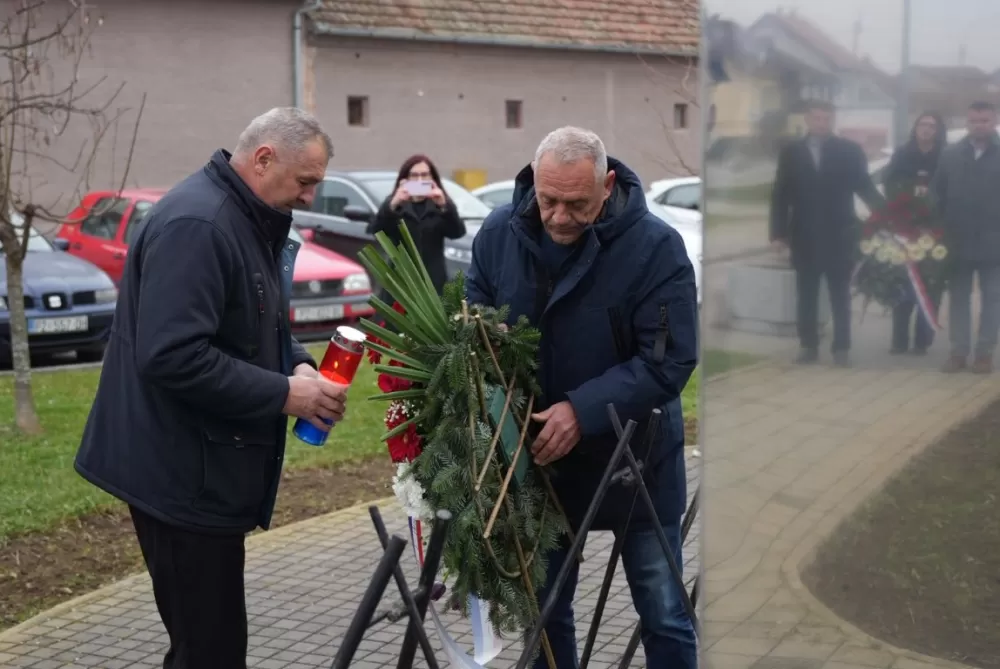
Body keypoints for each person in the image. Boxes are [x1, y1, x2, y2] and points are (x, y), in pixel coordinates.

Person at [74, 108, 347, 669]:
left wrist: (296, 365)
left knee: (210, 646)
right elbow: (172, 355)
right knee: (209, 652)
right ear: (264, 158)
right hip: (178, 481)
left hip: (201, 474)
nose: (311, 198)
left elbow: (256, 323)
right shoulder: (200, 225)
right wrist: (284, 396)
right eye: (306, 182)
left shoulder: (247, 217)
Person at [466, 126, 699, 669]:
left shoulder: (656, 248)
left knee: (663, 613)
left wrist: (582, 409)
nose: (559, 217)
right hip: (541, 463)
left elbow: (669, 361)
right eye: (549, 200)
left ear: (607, 184)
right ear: (533, 181)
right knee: (546, 615)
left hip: (637, 458)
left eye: (577, 204)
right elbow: (473, 321)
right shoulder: (500, 233)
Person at [770, 100, 884, 367]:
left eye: (826, 119)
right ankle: (808, 345)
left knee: (840, 294)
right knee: (807, 294)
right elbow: (780, 193)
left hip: (840, 235)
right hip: (804, 236)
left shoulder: (849, 151)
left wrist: (888, 216)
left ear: (832, 120)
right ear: (808, 120)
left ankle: (841, 348)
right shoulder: (791, 152)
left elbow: (864, 186)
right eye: (816, 118)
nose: (821, 123)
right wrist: (777, 232)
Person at [932, 101, 1000, 375]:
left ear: (994, 120)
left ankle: (984, 353)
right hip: (956, 240)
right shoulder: (950, 154)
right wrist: (934, 229)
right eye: (973, 120)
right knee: (958, 298)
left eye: (984, 120)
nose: (978, 126)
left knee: (993, 299)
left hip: (994, 242)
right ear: (967, 121)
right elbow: (937, 193)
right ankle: (958, 352)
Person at [884, 112, 947, 355]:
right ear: (915, 128)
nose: (927, 129)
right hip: (904, 228)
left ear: (938, 130)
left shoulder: (945, 156)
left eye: (932, 126)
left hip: (935, 229)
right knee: (903, 285)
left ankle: (922, 341)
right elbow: (889, 184)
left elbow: (949, 189)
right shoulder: (902, 154)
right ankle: (899, 340)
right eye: (923, 124)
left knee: (929, 286)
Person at [368, 153, 466, 295]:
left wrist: (445, 206)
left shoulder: (439, 204)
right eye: (414, 175)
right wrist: (393, 204)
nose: (420, 180)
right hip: (402, 280)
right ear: (405, 179)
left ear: (432, 178)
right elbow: (376, 230)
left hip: (433, 281)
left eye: (425, 175)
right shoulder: (395, 204)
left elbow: (457, 232)